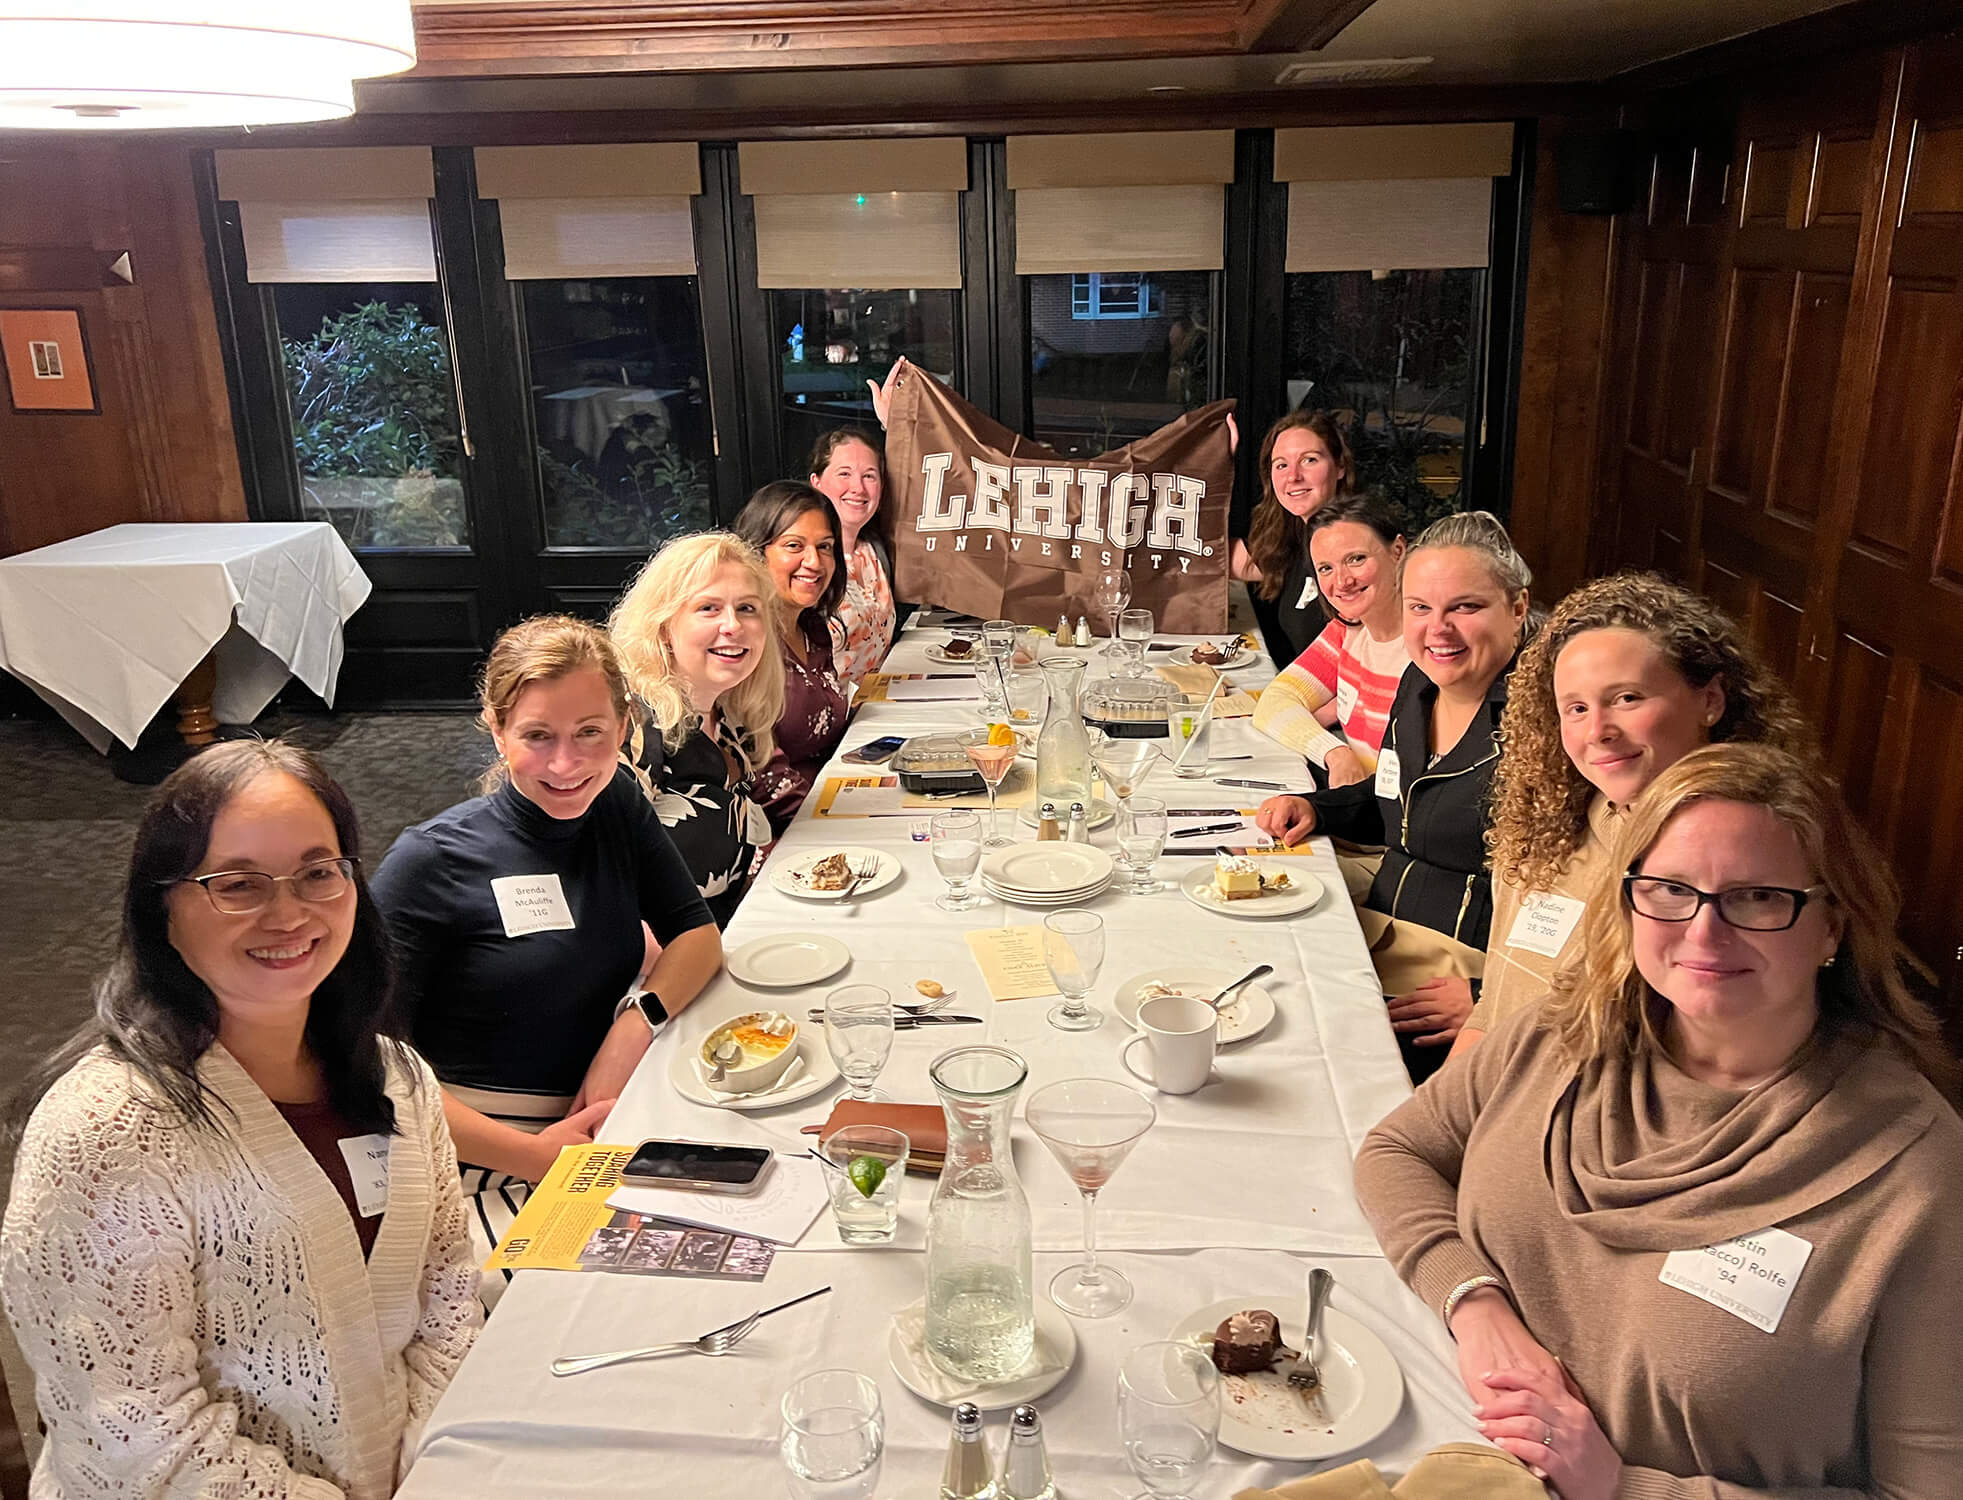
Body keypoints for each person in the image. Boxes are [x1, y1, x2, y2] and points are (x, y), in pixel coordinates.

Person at [1355, 743, 1963, 1500]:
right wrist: (1473, 1303)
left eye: (1757, 898)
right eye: (1670, 890)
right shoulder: (1559, 1034)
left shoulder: (1915, 1170)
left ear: (1831, 926)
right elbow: (1395, 1150)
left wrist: (1625, 1488)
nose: (1703, 935)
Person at [2, 740, 480, 1498]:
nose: (288, 913)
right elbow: (137, 1436)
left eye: (319, 872)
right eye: (238, 884)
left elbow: (448, 1288)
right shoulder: (106, 1133)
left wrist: (431, 1461)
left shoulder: (399, 1077)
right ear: (163, 903)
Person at [369, 615, 721, 1270]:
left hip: (601, 1117)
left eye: (590, 733)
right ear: (497, 731)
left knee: (740, 1227)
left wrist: (633, 1024)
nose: (566, 764)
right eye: (537, 736)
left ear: (623, 728)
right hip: (480, 1157)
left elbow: (697, 937)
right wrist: (535, 1155)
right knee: (625, 1291)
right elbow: (370, 1067)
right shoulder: (428, 862)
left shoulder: (614, 802)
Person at [1452, 573, 1812, 1059]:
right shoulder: (1550, 825)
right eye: (1576, 708)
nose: (1598, 731)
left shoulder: (1749, 862)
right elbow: (1493, 1010)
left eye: (1627, 698)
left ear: (1710, 700)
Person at [1255, 511, 1531, 1082]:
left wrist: (1493, 997)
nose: (1438, 630)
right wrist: (1317, 808)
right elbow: (1394, 803)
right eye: (1421, 608)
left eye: (1467, 607)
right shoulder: (1421, 684)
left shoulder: (1546, 727)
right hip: (1382, 931)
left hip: (1449, 976)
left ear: (1519, 609)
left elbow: (1582, 904)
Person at [611, 532, 784, 927]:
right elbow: (596, 876)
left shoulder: (728, 715)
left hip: (732, 928)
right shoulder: (635, 724)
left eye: (747, 608)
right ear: (663, 625)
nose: (733, 626)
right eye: (708, 608)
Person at [1251, 494, 1410, 788]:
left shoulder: (1428, 647)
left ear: (1398, 551)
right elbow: (1273, 703)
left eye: (1356, 559)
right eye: (1326, 568)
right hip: (1352, 807)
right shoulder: (1347, 630)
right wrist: (1335, 754)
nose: (1342, 581)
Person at [732, 481, 851, 834]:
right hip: (789, 831)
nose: (814, 562)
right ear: (757, 552)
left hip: (829, 800)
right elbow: (762, 774)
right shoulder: (744, 644)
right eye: (794, 546)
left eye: (825, 547)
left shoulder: (813, 629)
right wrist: (840, 825)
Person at [1230, 410, 1357, 658]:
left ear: (1340, 466)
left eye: (1309, 460)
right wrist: (1215, 464)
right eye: (1281, 465)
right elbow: (1212, 557)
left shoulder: (1355, 545)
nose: (1293, 476)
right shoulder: (1297, 536)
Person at [809, 426, 898, 686]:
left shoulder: (874, 549)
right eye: (844, 474)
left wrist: (894, 422)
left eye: (869, 476)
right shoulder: (807, 564)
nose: (858, 488)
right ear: (817, 482)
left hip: (878, 707)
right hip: (828, 719)